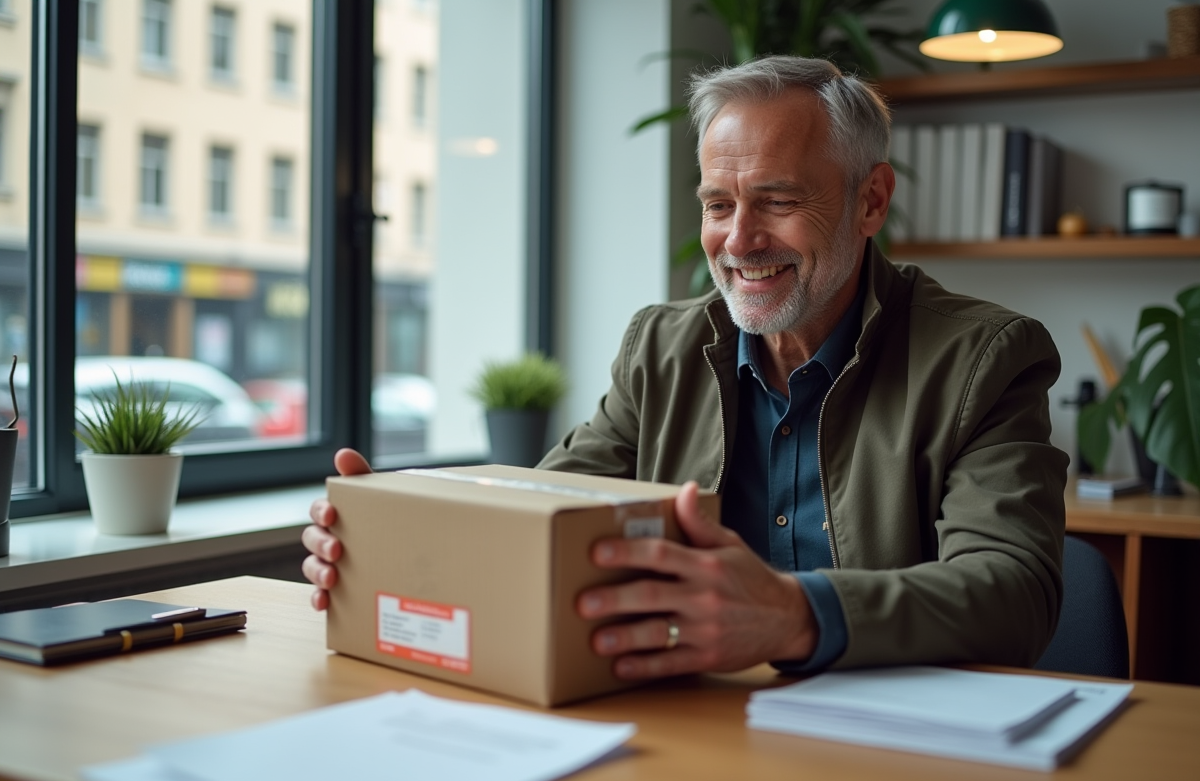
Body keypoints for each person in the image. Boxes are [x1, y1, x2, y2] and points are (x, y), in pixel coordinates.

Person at [303, 56, 1067, 681]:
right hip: (693, 726)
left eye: (776, 200)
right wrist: (393, 542)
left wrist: (792, 613)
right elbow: (549, 513)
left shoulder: (984, 358)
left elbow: (1013, 593)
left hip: (897, 744)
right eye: (717, 205)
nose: (739, 241)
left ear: (870, 201)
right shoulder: (660, 348)